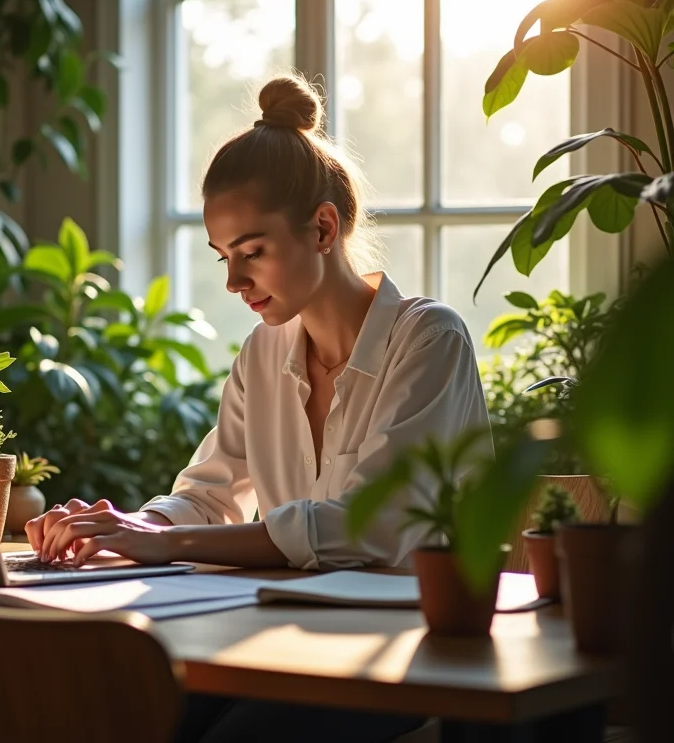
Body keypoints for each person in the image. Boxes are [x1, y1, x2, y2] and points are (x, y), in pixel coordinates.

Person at [26, 74, 493, 742]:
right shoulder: (263, 352)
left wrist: (164, 542)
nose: (233, 281)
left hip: (404, 655)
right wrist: (132, 524)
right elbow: (210, 495)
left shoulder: (428, 339)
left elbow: (371, 527)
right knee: (123, 713)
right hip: (283, 641)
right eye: (223, 256)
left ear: (324, 227)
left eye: (253, 252)